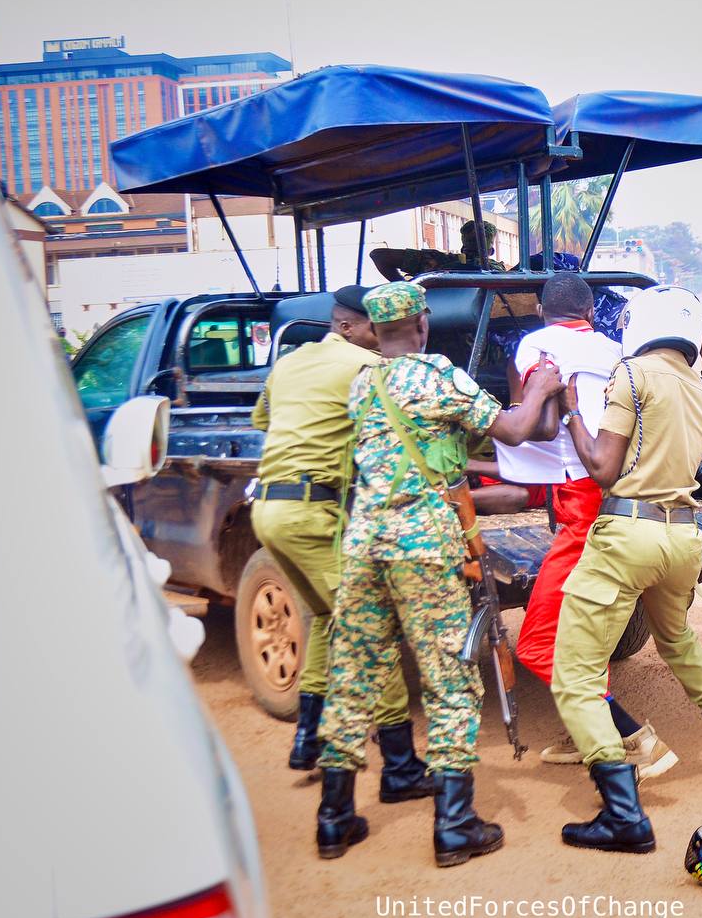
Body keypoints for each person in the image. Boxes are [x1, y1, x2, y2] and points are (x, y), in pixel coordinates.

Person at [315, 281, 563, 867]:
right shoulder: (439, 377)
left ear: (374, 331)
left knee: (354, 670)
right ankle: (454, 825)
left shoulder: (362, 385)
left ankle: (334, 817)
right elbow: (513, 430)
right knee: (450, 675)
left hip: (363, 545)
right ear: (423, 324)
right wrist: (542, 388)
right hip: (423, 545)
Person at [551, 285, 702, 855]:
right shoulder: (698, 387)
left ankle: (624, 814)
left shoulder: (633, 373)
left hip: (629, 534)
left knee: (574, 674)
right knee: (677, 639)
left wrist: (572, 408)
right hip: (684, 538)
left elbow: (602, 467)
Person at [250, 285, 430, 804]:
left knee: (329, 618)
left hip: (269, 509)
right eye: (377, 327)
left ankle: (308, 738)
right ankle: (399, 763)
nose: (382, 337)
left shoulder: (290, 362)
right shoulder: (365, 368)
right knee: (371, 631)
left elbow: (262, 420)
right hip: (313, 513)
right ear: (352, 325)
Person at [495, 273, 677, 780]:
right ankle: (589, 735)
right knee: (584, 630)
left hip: (581, 501)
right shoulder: (617, 351)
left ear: (538, 308)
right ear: (592, 312)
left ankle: (630, 737)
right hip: (624, 496)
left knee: (535, 643)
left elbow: (543, 425)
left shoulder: (536, 344)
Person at [370, 220, 505, 281]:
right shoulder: (501, 273)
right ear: (491, 251)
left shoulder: (437, 261)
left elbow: (379, 256)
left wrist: (405, 289)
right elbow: (379, 256)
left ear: (463, 248)